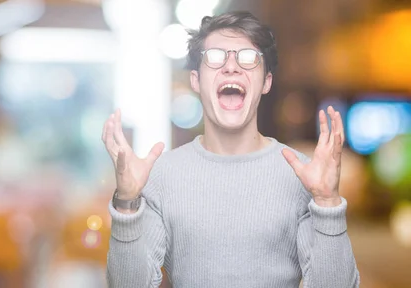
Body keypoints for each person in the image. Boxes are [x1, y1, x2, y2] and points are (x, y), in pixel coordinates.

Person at [101, 11, 360, 288]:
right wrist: (127, 203)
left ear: (266, 82)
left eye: (248, 58)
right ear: (196, 81)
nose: (232, 67)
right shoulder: (162, 176)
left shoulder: (303, 175)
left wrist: (327, 201)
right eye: (215, 56)